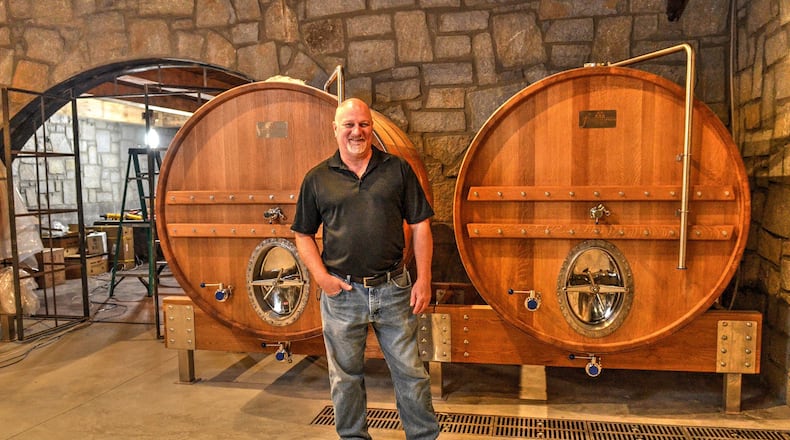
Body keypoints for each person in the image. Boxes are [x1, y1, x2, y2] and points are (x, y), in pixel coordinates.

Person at [292, 98, 439, 440]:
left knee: (411, 374)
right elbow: (302, 234)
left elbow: (420, 226)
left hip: (393, 289)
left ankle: (423, 437)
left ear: (372, 128)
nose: (357, 131)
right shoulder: (317, 178)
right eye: (349, 125)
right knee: (345, 378)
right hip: (342, 294)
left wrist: (424, 279)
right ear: (336, 130)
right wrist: (323, 279)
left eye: (363, 124)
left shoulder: (397, 169)